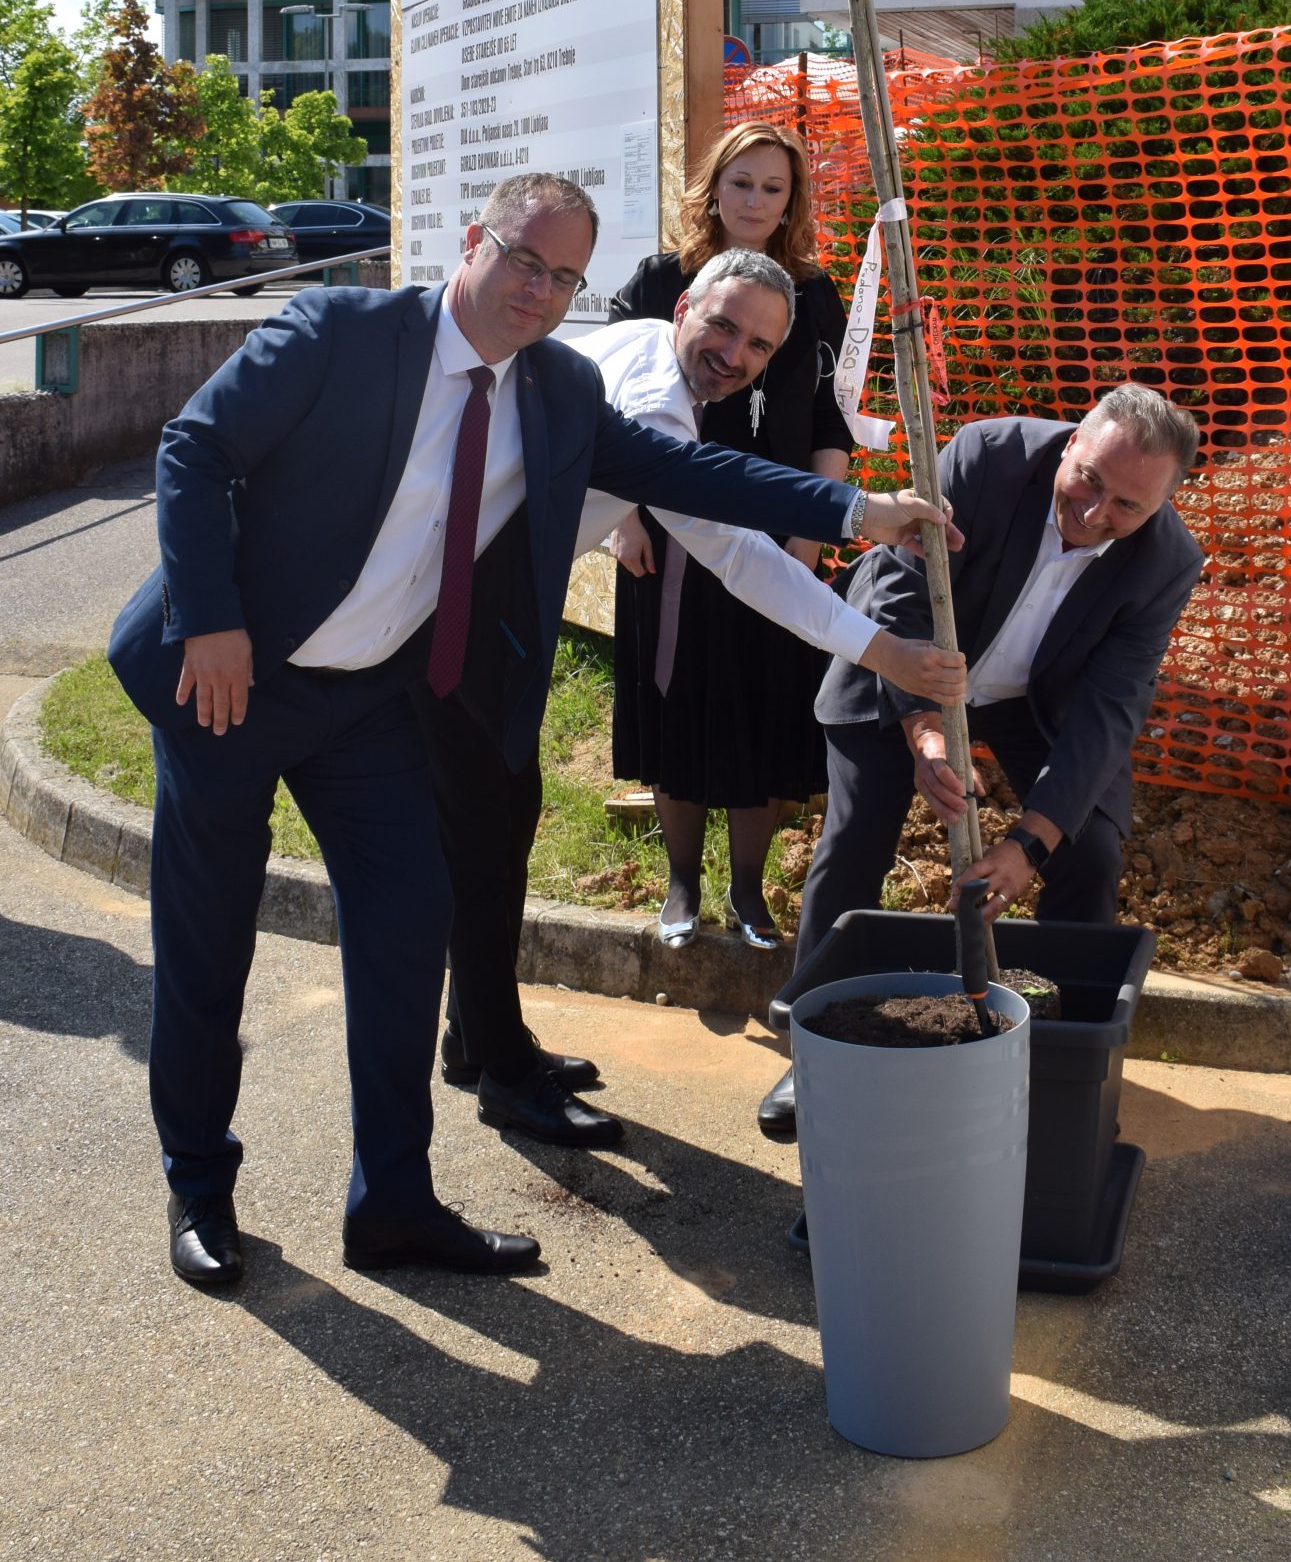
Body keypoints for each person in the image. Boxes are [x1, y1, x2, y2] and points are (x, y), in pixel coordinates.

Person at [108, 172, 955, 1290]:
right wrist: (209, 620)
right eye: (523, 260)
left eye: (563, 277)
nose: (539, 290)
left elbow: (694, 476)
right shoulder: (341, 330)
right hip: (229, 681)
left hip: (365, 702)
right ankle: (200, 1181)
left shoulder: (558, 388)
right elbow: (194, 449)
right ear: (474, 240)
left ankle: (392, 1204)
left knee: (407, 932)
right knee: (209, 942)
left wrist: (854, 509)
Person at [433, 243, 966, 1149]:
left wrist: (878, 639)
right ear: (683, 308)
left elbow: (727, 543)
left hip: (478, 601)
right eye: (722, 325)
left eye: (759, 346)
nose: (734, 354)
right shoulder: (656, 407)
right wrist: (878, 622)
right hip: (452, 612)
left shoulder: (642, 350)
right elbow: (739, 550)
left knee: (495, 827)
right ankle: (500, 1068)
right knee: (485, 835)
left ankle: (479, 1038)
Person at [756, 387, 1205, 1137]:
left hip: (1031, 700)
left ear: (1160, 506)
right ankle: (813, 1053)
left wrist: (1028, 844)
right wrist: (926, 735)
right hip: (905, 662)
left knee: (1088, 849)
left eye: (1127, 506)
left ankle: (1065, 1062)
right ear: (1072, 442)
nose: (1095, 512)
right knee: (857, 833)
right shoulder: (987, 458)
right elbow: (900, 588)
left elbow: (1109, 709)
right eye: (1089, 480)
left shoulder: (1165, 563)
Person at [608, 121, 852, 946]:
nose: (754, 201)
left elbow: (829, 421)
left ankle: (749, 891)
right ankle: (681, 886)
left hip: (777, 539)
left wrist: (812, 532)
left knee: (767, 708)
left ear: (791, 202)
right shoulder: (660, 281)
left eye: (772, 188)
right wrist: (623, 522)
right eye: (741, 182)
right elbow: (606, 408)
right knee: (674, 704)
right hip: (664, 537)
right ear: (713, 187)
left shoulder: (814, 296)